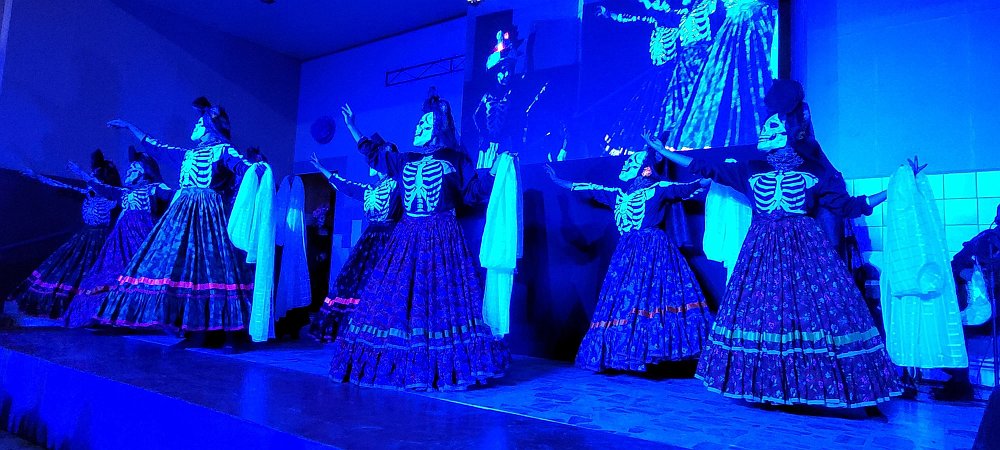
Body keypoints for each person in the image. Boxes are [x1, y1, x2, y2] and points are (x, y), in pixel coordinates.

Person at [643, 111, 917, 411]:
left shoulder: (815, 173)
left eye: (772, 126)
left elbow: (850, 206)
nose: (763, 130)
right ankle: (767, 387)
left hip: (806, 249)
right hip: (762, 250)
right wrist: (663, 152)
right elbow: (705, 166)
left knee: (814, 312)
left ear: (790, 134)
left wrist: (896, 188)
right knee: (763, 313)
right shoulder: (750, 168)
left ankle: (821, 388)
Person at [328, 92, 510, 391]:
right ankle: (395, 364)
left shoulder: (455, 159)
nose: (418, 127)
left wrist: (489, 173)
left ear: (438, 127)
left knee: (441, 299)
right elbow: (375, 155)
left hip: (442, 238)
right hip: (407, 237)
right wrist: (352, 127)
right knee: (398, 296)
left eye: (424, 123)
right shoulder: (406, 159)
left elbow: (472, 194)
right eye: (419, 122)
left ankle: (445, 366)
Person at [98, 97, 263, 347]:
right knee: (175, 264)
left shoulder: (223, 150)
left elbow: (244, 168)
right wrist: (130, 126)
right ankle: (189, 326)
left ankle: (227, 331)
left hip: (209, 216)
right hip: (182, 216)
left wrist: (259, 170)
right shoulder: (187, 154)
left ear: (211, 127)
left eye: (199, 123)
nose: (195, 126)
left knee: (214, 267)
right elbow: (156, 148)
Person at [546, 146, 714, 372]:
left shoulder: (658, 188)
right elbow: (588, 187)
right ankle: (626, 354)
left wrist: (714, 174)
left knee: (653, 297)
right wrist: (559, 182)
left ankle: (653, 350)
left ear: (645, 169)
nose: (625, 164)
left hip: (654, 250)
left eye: (632, 161)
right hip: (626, 253)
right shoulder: (618, 194)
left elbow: (689, 186)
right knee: (625, 299)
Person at [62, 147, 169, 328]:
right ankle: (108, 314)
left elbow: (172, 195)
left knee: (142, 274)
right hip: (120, 242)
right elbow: (104, 188)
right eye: (129, 168)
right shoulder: (124, 193)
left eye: (134, 169)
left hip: (142, 239)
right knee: (111, 273)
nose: (129, 171)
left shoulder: (153, 189)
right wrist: (81, 174)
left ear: (145, 173)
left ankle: (140, 315)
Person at [11, 151, 119, 319]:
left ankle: (93, 306)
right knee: (68, 266)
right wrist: (37, 176)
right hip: (85, 235)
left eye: (95, 176)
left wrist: (80, 172)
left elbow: (102, 189)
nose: (91, 178)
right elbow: (62, 186)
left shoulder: (110, 196)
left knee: (94, 270)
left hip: (101, 238)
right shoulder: (89, 192)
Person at [308, 152, 401, 342]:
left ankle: (382, 329)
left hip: (390, 238)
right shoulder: (370, 189)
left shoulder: (397, 185)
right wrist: (323, 169)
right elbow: (347, 187)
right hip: (370, 239)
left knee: (384, 281)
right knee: (354, 279)